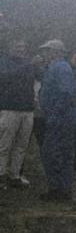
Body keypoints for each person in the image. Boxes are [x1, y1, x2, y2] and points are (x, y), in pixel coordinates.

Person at [37, 40, 76, 202]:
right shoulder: (57, 67)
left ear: (55, 52)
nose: (44, 54)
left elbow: (66, 93)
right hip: (63, 116)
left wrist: (54, 114)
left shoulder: (60, 68)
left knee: (52, 152)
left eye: (46, 51)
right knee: (62, 152)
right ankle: (63, 188)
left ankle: (58, 188)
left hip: (61, 117)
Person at [0, 39, 36, 189]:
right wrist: (29, 65)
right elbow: (5, 77)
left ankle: (14, 175)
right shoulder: (4, 61)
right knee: (5, 144)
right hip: (9, 108)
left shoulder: (29, 63)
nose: (21, 49)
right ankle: (0, 175)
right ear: (11, 48)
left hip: (27, 109)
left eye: (23, 47)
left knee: (21, 145)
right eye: (18, 46)